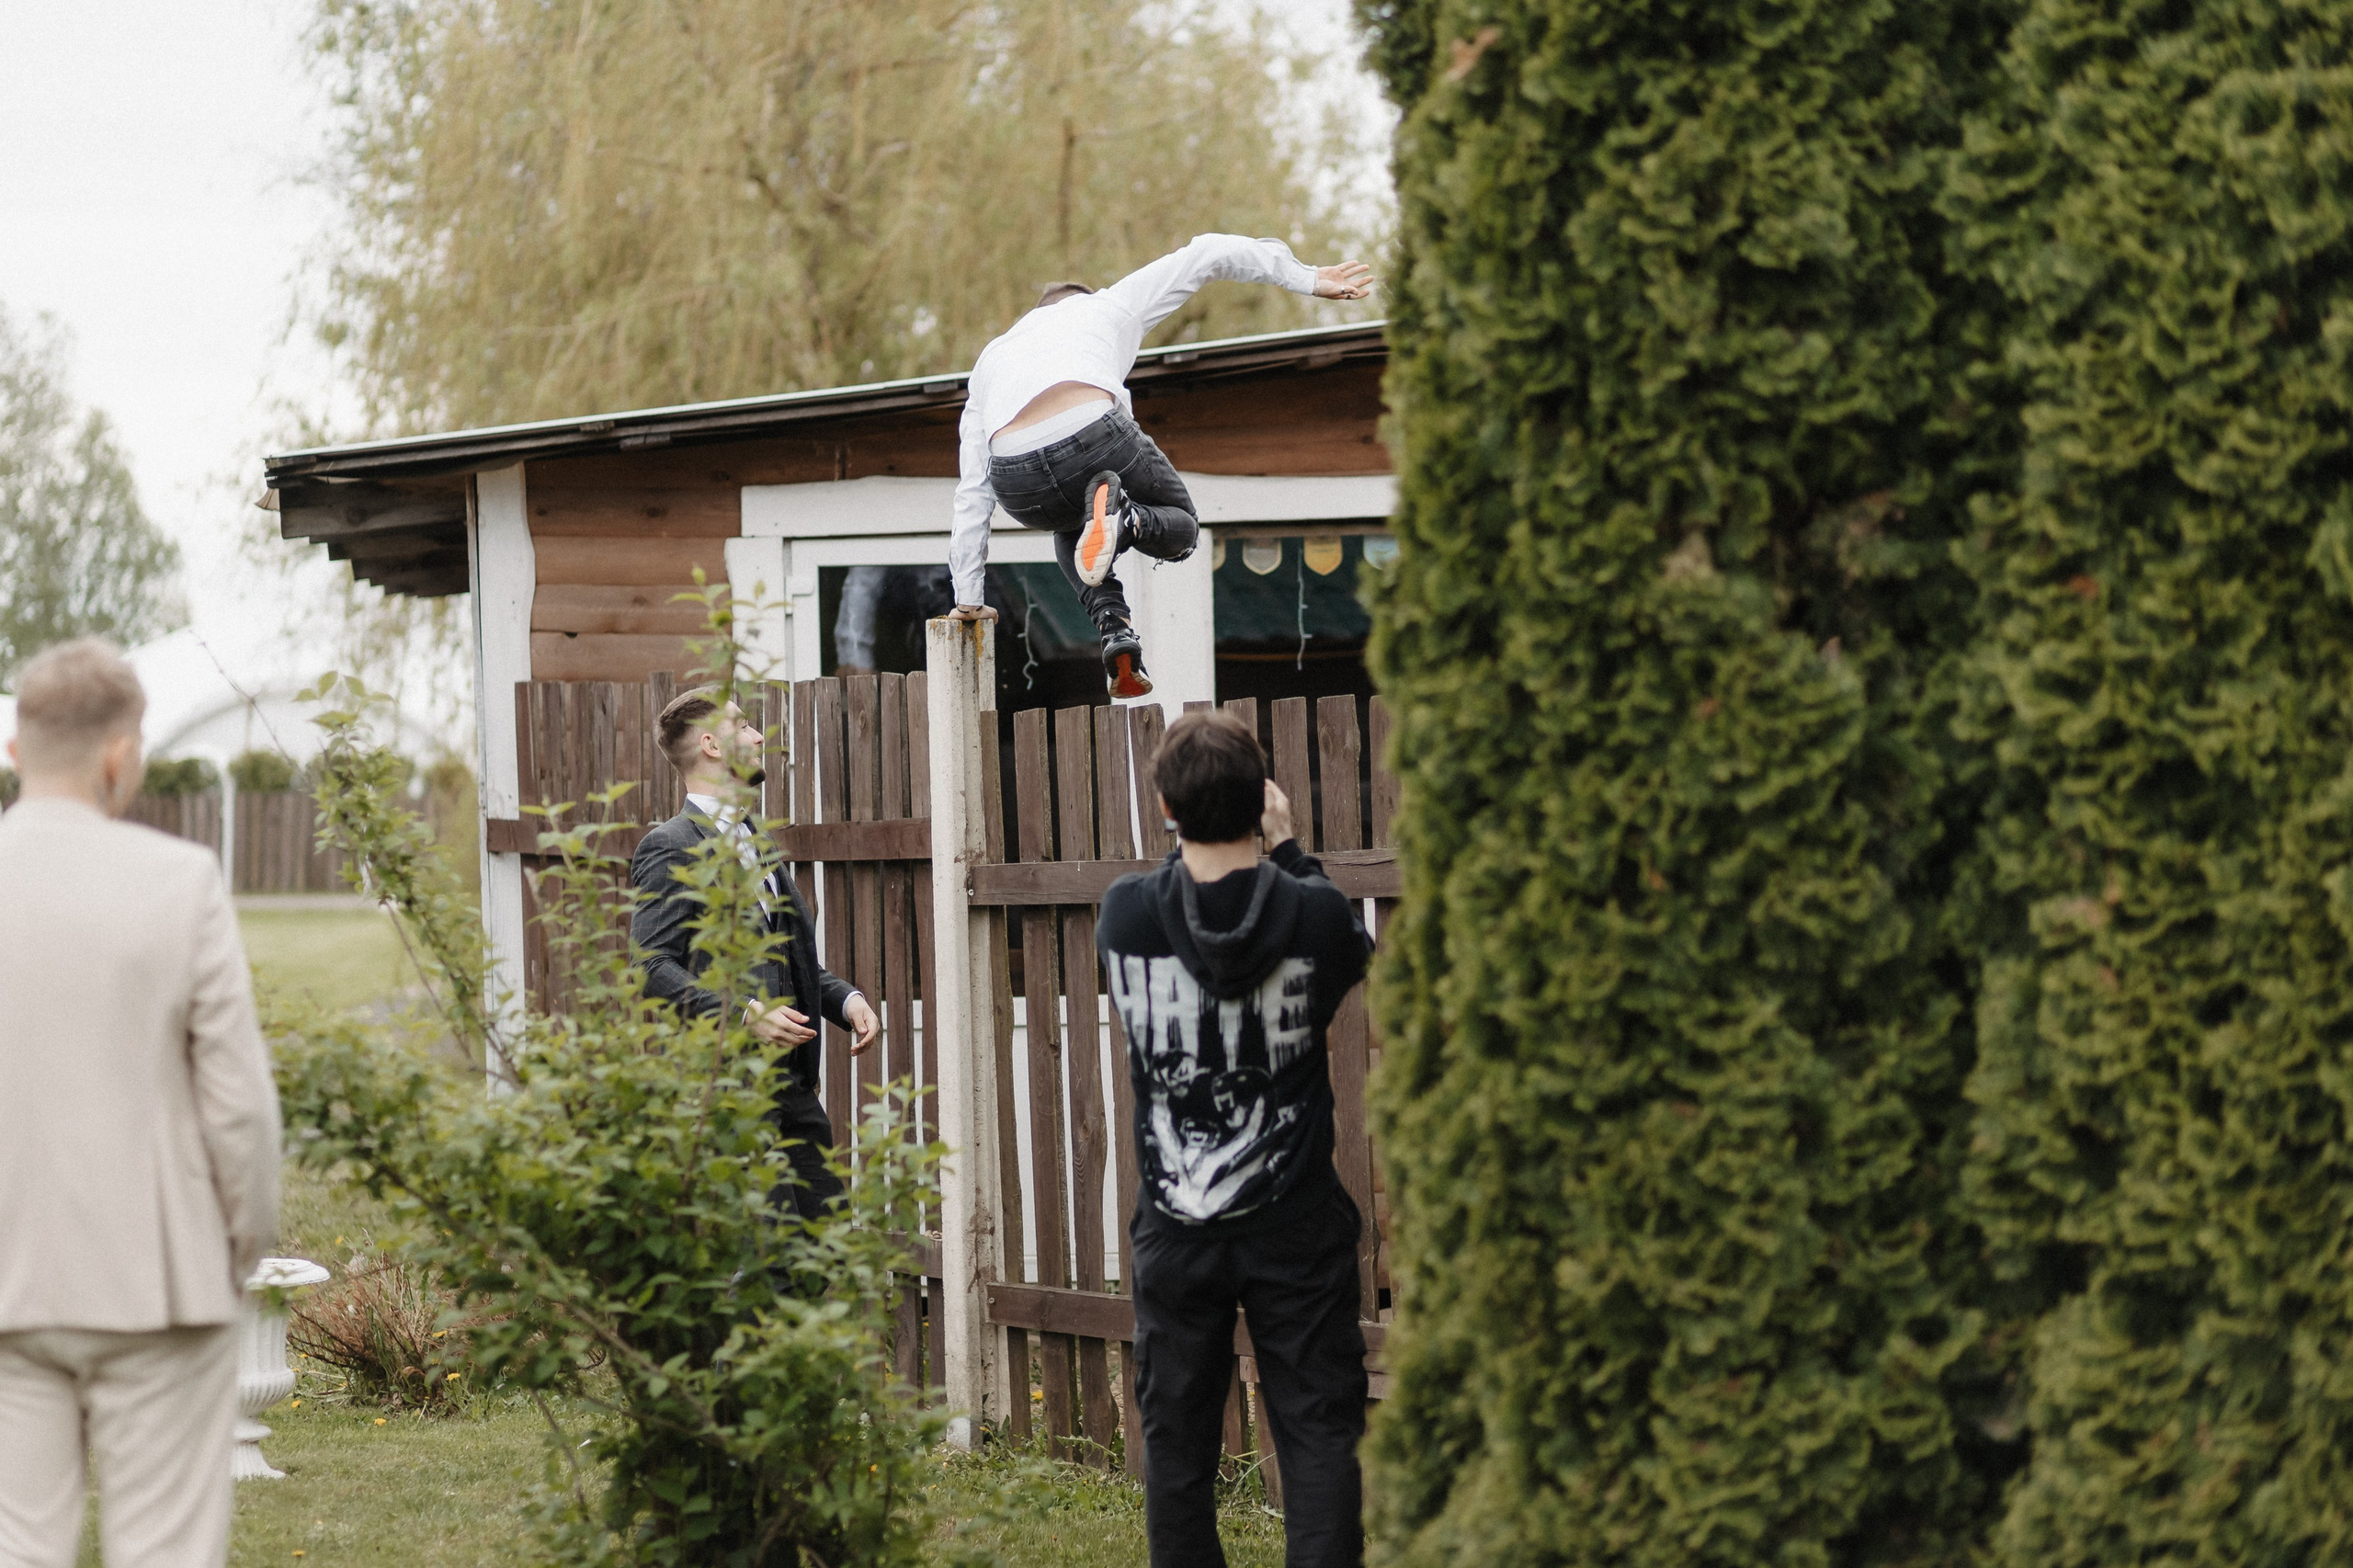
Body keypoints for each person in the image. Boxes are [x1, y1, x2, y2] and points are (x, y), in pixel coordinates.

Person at [0, 639, 282, 1568]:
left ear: (14, 751)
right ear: (121, 753)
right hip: (158, 1273)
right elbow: (238, 1101)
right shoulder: (181, 880)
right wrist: (238, 1243)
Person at [1097, 711, 1374, 1568]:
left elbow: (1172, 889)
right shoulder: (1314, 915)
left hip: (1177, 1231)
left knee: (1177, 1446)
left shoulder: (1126, 915)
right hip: (1293, 1222)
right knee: (1319, 1432)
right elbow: (1345, 947)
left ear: (1163, 807)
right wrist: (1285, 851)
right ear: (1264, 800)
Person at [946, 234, 1374, 699]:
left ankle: (1115, 631)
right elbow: (1209, 252)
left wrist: (968, 598)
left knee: (1074, 519)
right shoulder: (1109, 306)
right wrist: (1308, 278)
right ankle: (1126, 521)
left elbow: (972, 491)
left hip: (1019, 484)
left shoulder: (991, 357)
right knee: (1183, 527)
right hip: (1093, 437)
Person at [630, 686, 879, 1218]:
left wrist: (843, 999)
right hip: (729, 1092)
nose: (758, 736)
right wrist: (745, 1014)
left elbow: (787, 960)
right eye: (742, 726)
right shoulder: (671, 845)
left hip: (791, 1084)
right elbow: (651, 966)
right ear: (712, 746)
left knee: (826, 1246)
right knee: (765, 1259)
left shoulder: (753, 838)